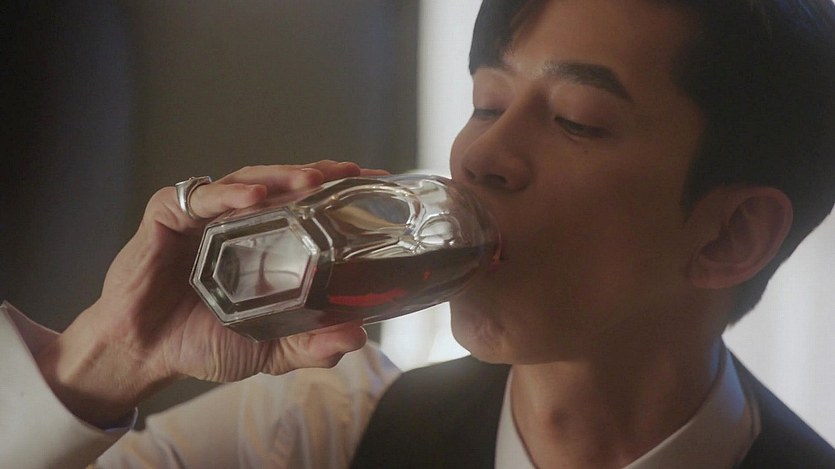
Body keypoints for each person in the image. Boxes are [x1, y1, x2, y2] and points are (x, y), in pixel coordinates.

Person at [2, 0, 835, 467]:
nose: (481, 156)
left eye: (577, 119)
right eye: (486, 102)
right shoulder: (323, 435)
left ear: (731, 235)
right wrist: (110, 357)